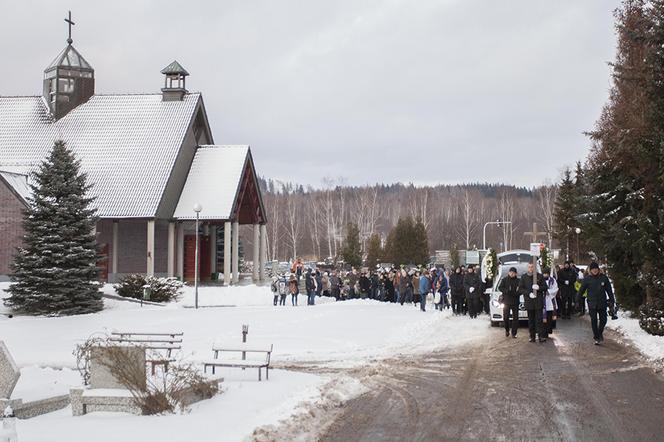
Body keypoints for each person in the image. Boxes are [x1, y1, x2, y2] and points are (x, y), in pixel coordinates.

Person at [578, 262, 615, 345]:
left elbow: (609, 290)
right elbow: (581, 291)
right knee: (594, 320)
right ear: (590, 270)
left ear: (598, 269)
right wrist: (577, 301)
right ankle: (596, 337)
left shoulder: (604, 278)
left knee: (603, 320)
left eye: (596, 269)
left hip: (602, 302)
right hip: (592, 303)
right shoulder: (587, 279)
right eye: (593, 269)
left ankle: (599, 332)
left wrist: (612, 300)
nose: (594, 270)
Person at [518, 262, 546, 342]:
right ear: (527, 268)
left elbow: (545, 287)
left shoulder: (540, 276)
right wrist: (528, 293)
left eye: (532, 267)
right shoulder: (524, 277)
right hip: (529, 301)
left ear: (535, 268)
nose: (531, 269)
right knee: (531, 320)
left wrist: (539, 288)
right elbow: (520, 288)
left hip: (538, 302)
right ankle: (532, 336)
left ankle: (540, 336)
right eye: (529, 267)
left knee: (539, 320)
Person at [498, 267, 520, 338]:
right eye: (510, 272)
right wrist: (506, 291)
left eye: (513, 273)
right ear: (508, 272)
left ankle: (514, 333)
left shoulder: (518, 280)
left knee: (515, 318)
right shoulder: (504, 280)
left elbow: (521, 290)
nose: (512, 274)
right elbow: (500, 287)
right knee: (506, 317)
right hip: (506, 301)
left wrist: (516, 293)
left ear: (516, 273)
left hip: (515, 301)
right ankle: (507, 330)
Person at [541, 268, 559, 342]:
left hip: (550, 300)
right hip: (543, 300)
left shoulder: (553, 280)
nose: (545, 275)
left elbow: (556, 288)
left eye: (546, 274)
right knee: (543, 318)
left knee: (549, 317)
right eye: (544, 274)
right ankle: (543, 333)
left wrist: (549, 292)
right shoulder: (540, 280)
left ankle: (548, 330)